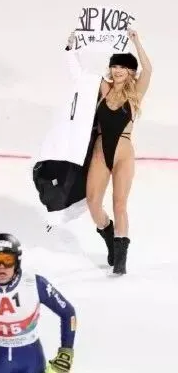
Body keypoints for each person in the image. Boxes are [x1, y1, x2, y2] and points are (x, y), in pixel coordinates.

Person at [66, 29, 152, 275]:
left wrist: (136, 41)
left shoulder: (135, 94)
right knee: (93, 203)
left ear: (130, 71)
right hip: (100, 151)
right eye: (115, 66)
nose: (117, 70)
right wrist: (73, 48)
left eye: (123, 67)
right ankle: (108, 234)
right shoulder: (104, 89)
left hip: (124, 153)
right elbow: (82, 73)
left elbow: (148, 70)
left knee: (119, 203)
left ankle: (120, 259)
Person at [0, 233, 76, 373]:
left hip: (31, 362)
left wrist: (66, 353)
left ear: (17, 262)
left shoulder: (35, 283)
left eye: (8, 260)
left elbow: (68, 313)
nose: (1, 267)